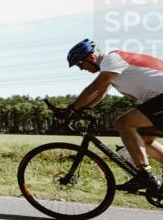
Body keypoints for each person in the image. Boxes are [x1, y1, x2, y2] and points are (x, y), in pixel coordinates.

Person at [64, 39, 163, 192]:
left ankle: (145, 175)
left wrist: (71, 109)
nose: (81, 69)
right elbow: (101, 92)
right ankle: (147, 178)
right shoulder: (112, 71)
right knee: (143, 140)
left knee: (123, 123)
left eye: (80, 64)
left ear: (91, 57)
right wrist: (80, 110)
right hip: (158, 101)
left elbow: (96, 87)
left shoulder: (112, 58)